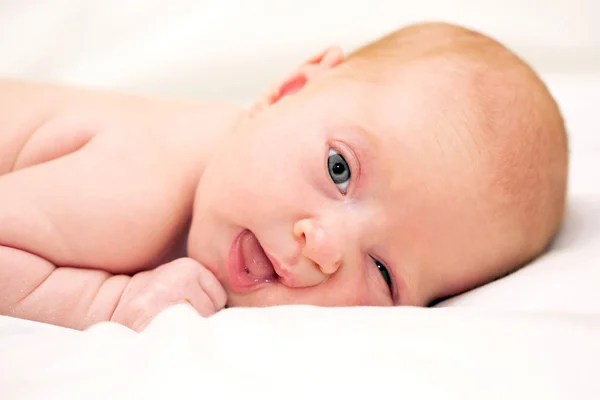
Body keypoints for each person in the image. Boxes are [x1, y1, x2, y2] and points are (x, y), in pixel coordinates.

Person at [0, 22, 568, 332]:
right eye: (339, 168)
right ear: (288, 90)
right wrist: (105, 304)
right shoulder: (134, 190)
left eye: (382, 271)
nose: (323, 247)